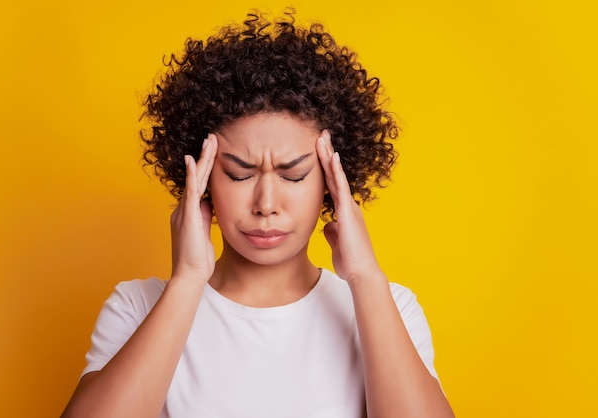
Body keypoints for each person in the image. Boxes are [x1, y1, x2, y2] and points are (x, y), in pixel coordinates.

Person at [62, 10, 454, 418]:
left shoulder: (389, 307)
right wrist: (187, 281)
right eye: (238, 173)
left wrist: (365, 278)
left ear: (331, 183)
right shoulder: (138, 307)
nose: (266, 203)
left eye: (295, 175)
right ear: (201, 178)